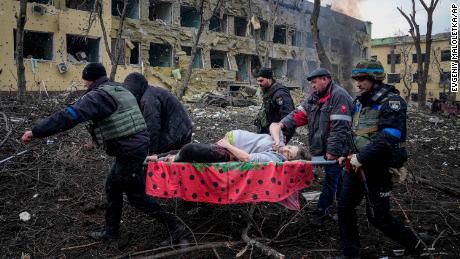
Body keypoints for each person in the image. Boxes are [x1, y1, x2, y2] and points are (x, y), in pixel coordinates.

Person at [21, 63, 184, 243]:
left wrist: (36, 131)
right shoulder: (117, 89)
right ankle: (111, 232)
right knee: (113, 186)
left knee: (136, 197)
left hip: (129, 150)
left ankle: (175, 225)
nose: (85, 86)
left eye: (85, 83)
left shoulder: (98, 97)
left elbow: (68, 116)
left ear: (90, 80)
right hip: (134, 147)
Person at [337, 59, 422, 257]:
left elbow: (390, 137)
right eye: (356, 79)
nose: (358, 83)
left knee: (378, 217)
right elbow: (356, 133)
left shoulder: (392, 102)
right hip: (356, 166)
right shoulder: (360, 102)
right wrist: (346, 155)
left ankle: (415, 246)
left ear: (375, 78)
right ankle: (351, 253)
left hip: (378, 167)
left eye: (362, 79)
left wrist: (362, 157)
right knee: (344, 206)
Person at [271, 68, 353, 217]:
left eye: (315, 82)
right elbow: (299, 114)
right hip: (323, 146)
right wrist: (282, 124)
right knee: (338, 177)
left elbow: (340, 128)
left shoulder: (339, 96)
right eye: (311, 83)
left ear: (325, 79)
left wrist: (333, 152)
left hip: (339, 148)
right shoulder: (314, 97)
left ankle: (321, 211)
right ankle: (343, 203)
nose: (312, 86)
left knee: (331, 178)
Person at [154, 126, 309, 163]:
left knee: (190, 149)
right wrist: (276, 140)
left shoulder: (274, 158)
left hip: (228, 151)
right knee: (187, 149)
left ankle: (168, 159)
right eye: (289, 147)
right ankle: (156, 157)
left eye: (289, 154)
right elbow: (275, 125)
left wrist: (227, 145)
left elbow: (247, 158)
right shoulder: (279, 143)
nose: (285, 150)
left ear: (289, 161)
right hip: (227, 142)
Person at [124, 72, 193, 154]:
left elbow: (152, 127)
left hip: (177, 134)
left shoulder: (148, 99)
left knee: (143, 153)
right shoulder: (151, 92)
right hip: (181, 130)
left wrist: (151, 153)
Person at [254, 67, 296, 143]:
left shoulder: (280, 94)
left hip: (278, 133)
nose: (259, 83)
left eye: (261, 80)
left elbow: (288, 116)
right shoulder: (269, 91)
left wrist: (281, 137)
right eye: (258, 81)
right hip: (269, 131)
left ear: (269, 79)